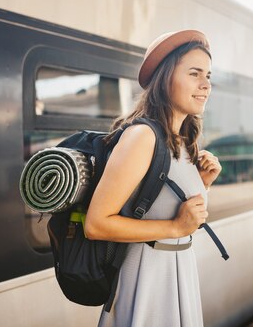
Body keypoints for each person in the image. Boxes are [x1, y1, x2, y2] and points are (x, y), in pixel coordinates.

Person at [85, 30, 222, 327]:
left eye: (208, 75)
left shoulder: (183, 141)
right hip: (147, 282)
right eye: (194, 73)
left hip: (177, 273)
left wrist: (201, 183)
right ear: (166, 77)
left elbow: (161, 202)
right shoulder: (142, 137)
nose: (206, 85)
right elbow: (96, 224)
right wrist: (175, 226)